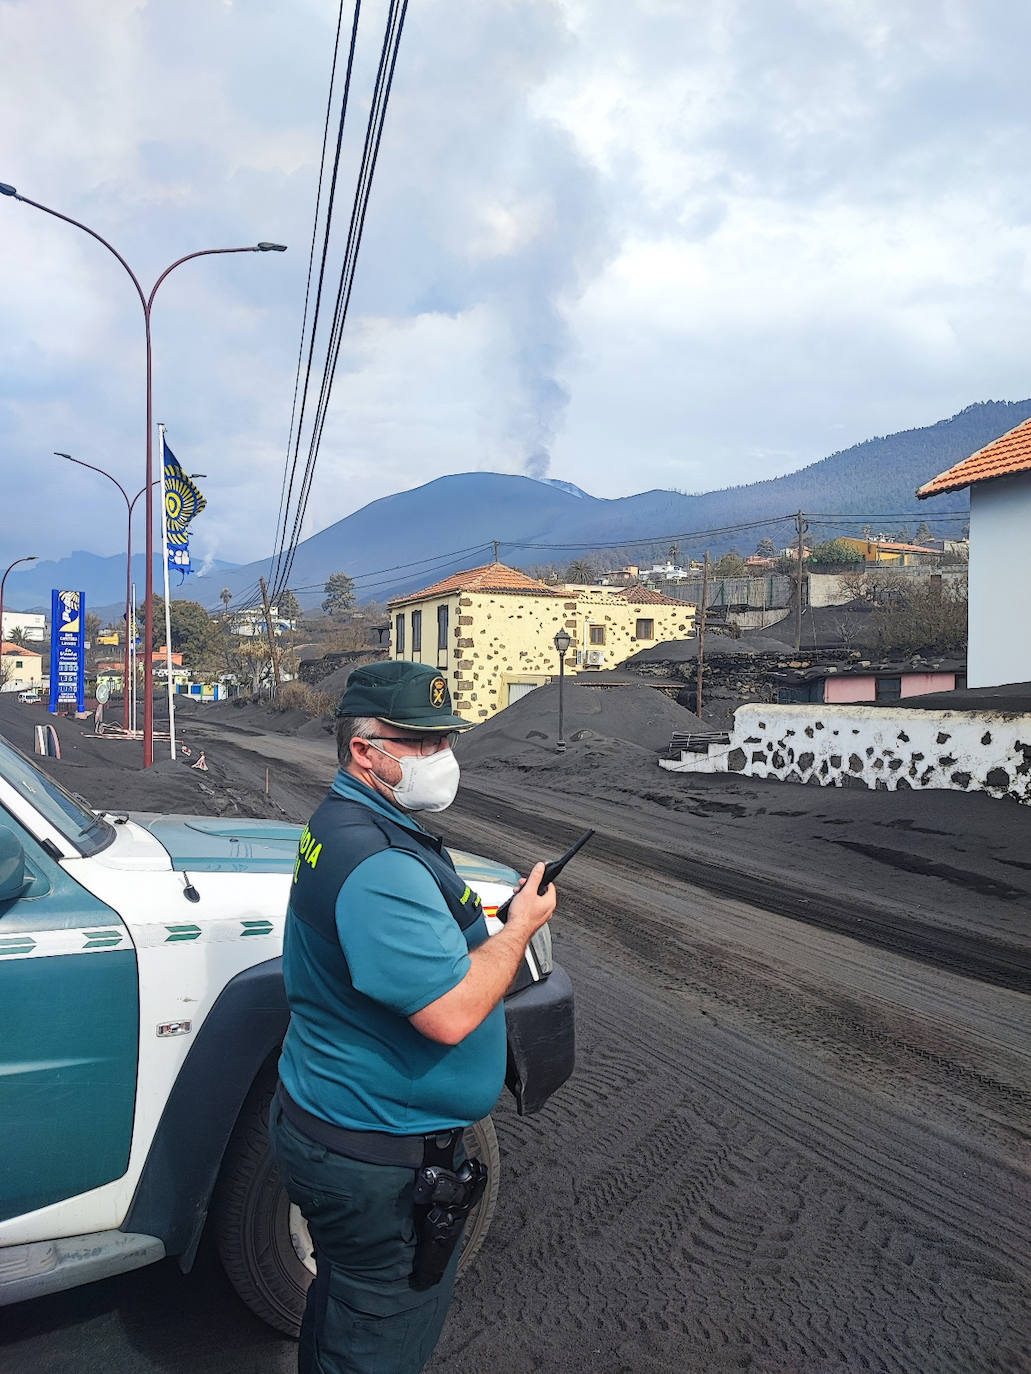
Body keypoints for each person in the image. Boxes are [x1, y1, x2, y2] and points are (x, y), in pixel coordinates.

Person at [269, 659, 556, 1374]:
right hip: (378, 1160)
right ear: (365, 751)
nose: (441, 758)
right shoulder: (381, 865)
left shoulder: (339, 824)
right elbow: (452, 1013)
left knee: (343, 1308)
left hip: (334, 1127)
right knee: (377, 1342)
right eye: (421, 744)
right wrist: (518, 928)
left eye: (445, 740)